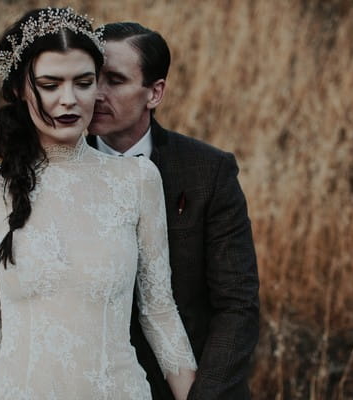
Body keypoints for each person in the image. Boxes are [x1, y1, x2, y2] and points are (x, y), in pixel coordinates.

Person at [0, 8, 197, 400]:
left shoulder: (136, 180)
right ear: (21, 88)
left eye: (83, 83)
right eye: (50, 85)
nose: (68, 100)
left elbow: (159, 312)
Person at [87, 22, 260, 400]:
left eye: (114, 80)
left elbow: (237, 304)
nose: (97, 93)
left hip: (183, 386)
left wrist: (203, 396)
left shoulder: (207, 171)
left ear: (155, 93)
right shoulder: (55, 170)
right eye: (91, 78)